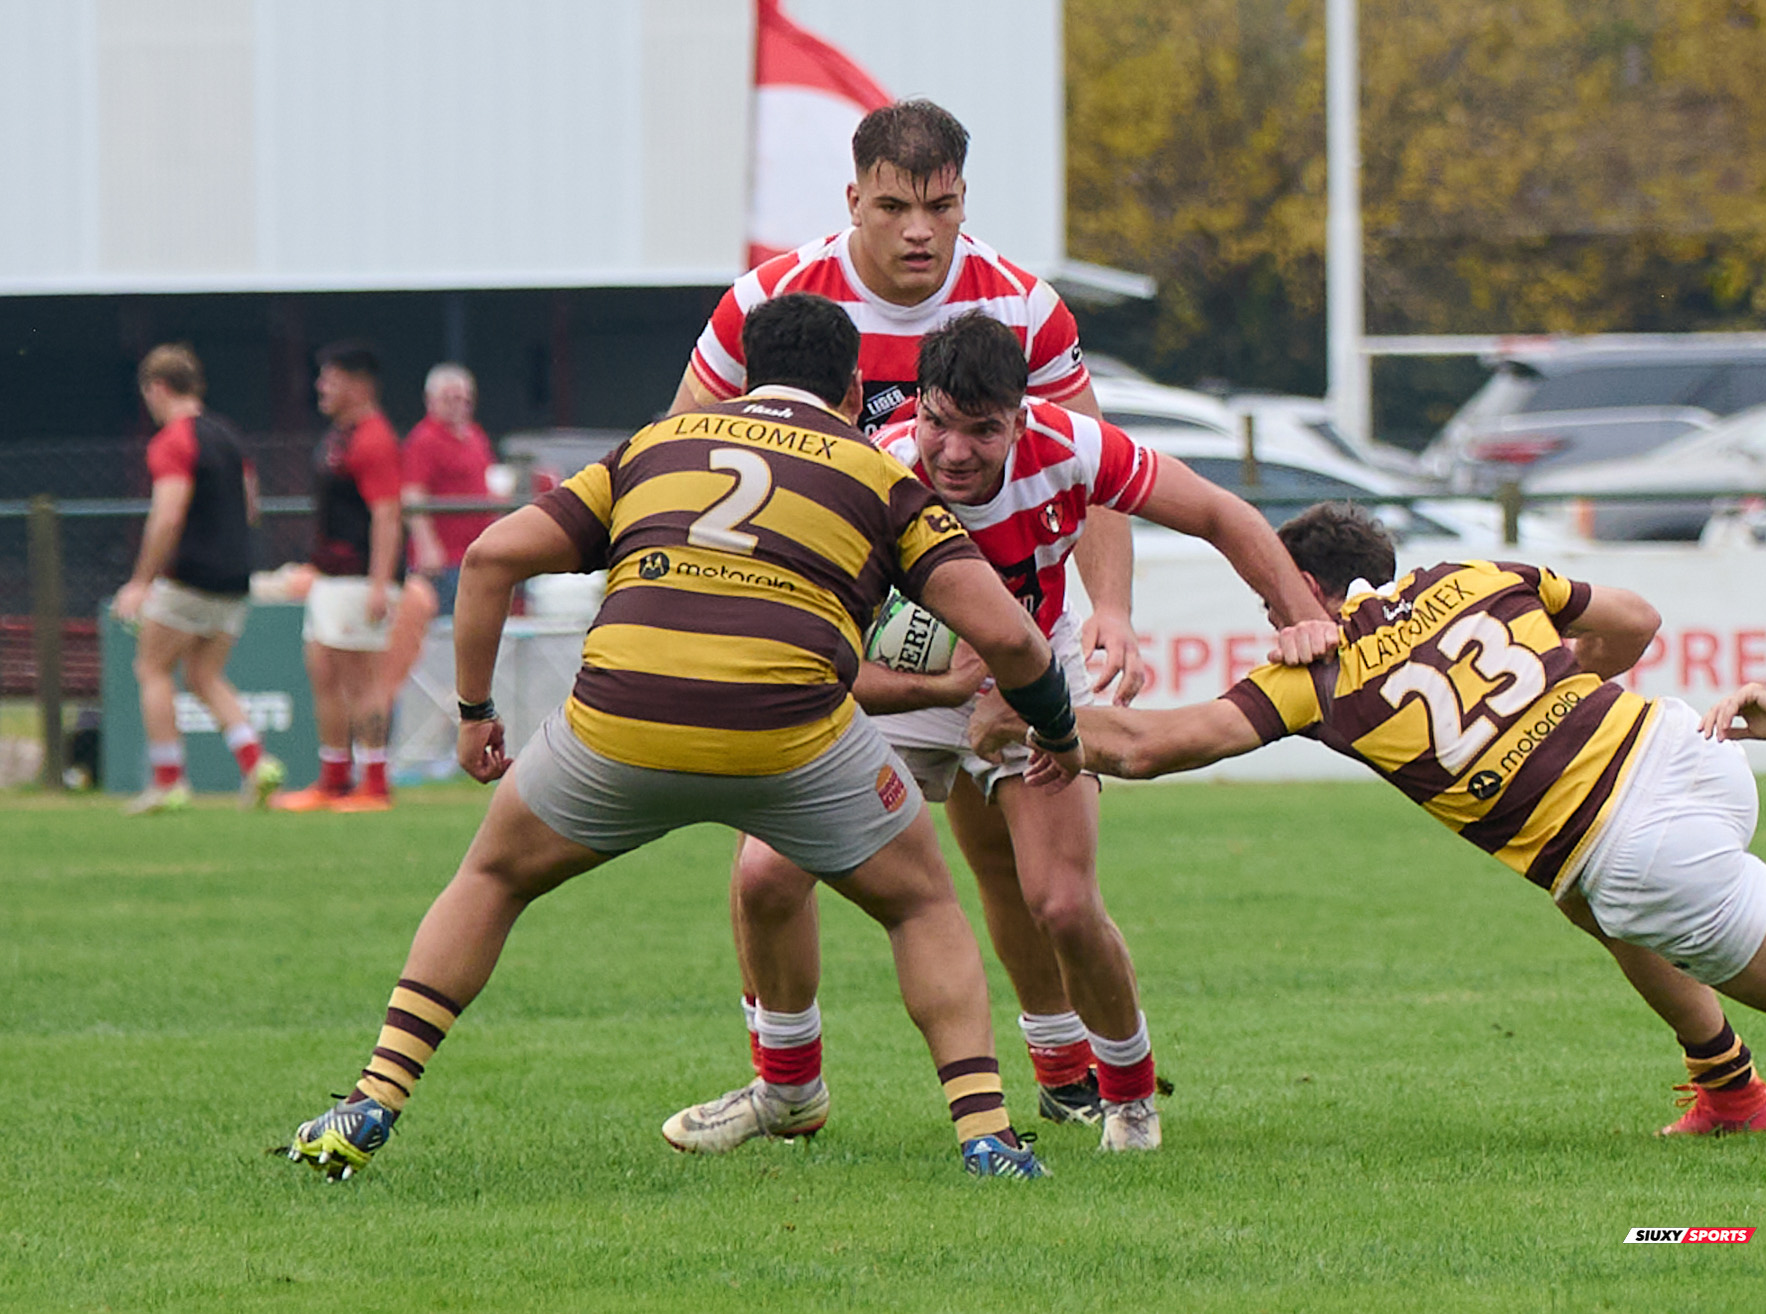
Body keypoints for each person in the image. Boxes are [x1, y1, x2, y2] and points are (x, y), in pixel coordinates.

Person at [277, 294, 1088, 1183]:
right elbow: (1010, 638)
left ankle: (374, 1097)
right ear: (856, 391)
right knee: (923, 906)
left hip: (623, 722)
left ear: (741, 378)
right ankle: (984, 1134)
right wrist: (1058, 729)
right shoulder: (876, 473)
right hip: (790, 740)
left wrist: (475, 717)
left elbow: (489, 559)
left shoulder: (656, 445)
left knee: (493, 877)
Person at [665, 313, 1334, 1154]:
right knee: (763, 872)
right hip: (900, 684)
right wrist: (930, 691)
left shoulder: (1070, 445)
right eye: (938, 422)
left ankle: (1127, 1099)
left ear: (1020, 417)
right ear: (914, 409)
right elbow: (819, 664)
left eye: (982, 431)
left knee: (1062, 903)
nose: (953, 452)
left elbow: (1221, 513)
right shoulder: (872, 472)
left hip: (1028, 680)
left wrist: (1302, 618)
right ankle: (787, 1088)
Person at [973, 501, 1766, 1138]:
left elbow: (1158, 745)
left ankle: (1734, 1092)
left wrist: (1032, 710)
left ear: (1310, 591)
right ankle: (1730, 1089)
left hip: (1641, 846)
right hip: (1688, 747)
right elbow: (1637, 620)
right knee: (1583, 897)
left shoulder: (1321, 672)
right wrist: (1565, 691)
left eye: (1272, 597)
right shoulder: (1472, 575)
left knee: (1611, 888)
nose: (1272, 621)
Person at [670, 97, 1156, 1112]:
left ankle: (1069, 1073)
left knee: (1031, 878)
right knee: (768, 874)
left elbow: (1102, 469)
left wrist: (1109, 608)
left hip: (1013, 641)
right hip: (858, 644)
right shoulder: (773, 302)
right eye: (894, 206)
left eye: (938, 205)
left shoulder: (1025, 304)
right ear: (854, 198)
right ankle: (784, 1084)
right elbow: (681, 455)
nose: (920, 230)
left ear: (962, 197)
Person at [114, 343, 285, 813]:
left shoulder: (172, 440)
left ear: (157, 387)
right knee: (205, 674)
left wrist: (141, 582)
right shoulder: (230, 436)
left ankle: (169, 781)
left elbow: (167, 516)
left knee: (152, 669)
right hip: (235, 577)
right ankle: (256, 763)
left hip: (189, 576)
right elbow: (250, 507)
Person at [270, 343, 405, 814]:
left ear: (357, 383)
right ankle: (332, 779)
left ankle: (375, 784)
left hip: (358, 578)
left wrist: (379, 583)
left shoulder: (374, 438)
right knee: (323, 672)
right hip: (330, 577)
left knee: (362, 680)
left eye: (329, 379)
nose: (320, 388)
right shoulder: (339, 436)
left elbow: (387, 513)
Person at [401, 363, 498, 618]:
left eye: (464, 399)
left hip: (476, 552)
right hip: (444, 560)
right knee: (442, 627)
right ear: (430, 400)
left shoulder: (476, 436)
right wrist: (427, 546)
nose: (458, 405)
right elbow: (412, 495)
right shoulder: (423, 440)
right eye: (449, 399)